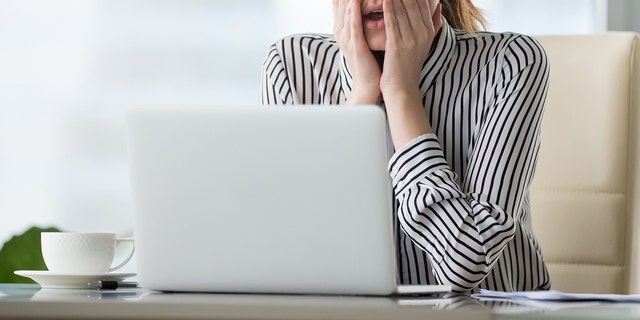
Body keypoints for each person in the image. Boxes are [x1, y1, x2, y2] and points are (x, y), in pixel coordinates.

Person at [260, 0, 550, 293]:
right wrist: (362, 93)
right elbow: (290, 258)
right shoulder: (290, 67)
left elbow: (464, 264)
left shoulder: (512, 62)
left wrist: (401, 93)